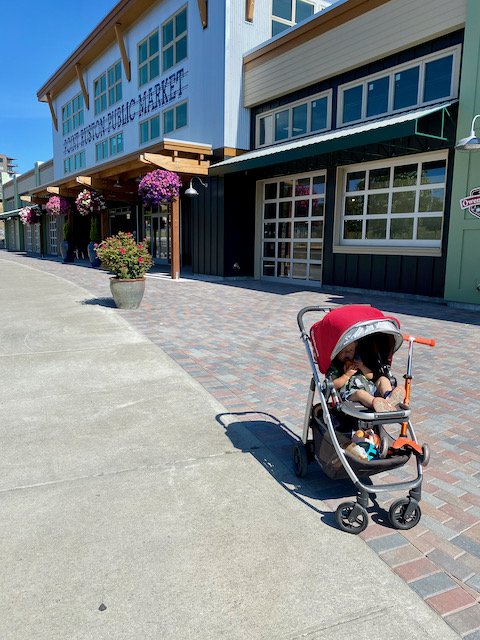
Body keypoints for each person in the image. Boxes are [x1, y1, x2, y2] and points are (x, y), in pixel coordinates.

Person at [327, 340, 405, 412]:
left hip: (369, 388)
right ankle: (378, 404)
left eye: (351, 350)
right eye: (343, 351)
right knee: (360, 393)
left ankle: (389, 397)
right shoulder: (335, 366)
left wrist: (362, 367)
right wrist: (347, 375)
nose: (347, 353)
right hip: (351, 393)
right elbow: (334, 385)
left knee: (383, 379)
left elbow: (371, 376)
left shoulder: (358, 360)